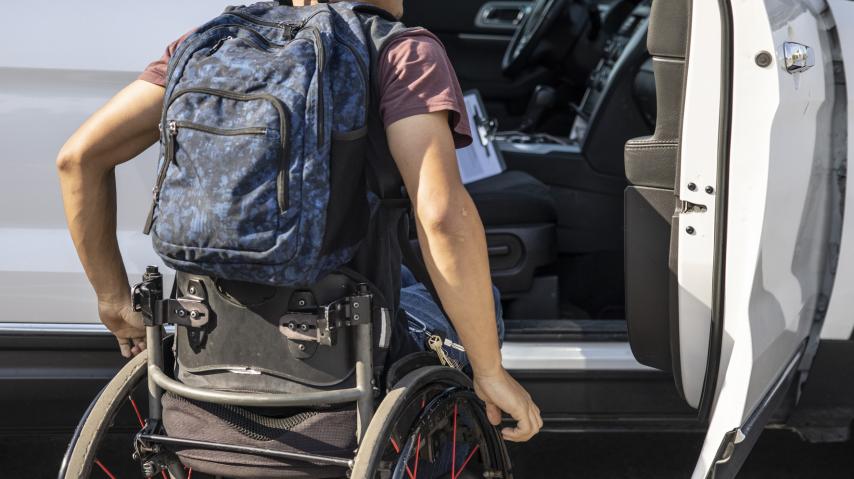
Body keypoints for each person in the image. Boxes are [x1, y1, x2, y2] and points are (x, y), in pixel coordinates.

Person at [56, 0, 542, 443]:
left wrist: (115, 302)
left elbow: (78, 159)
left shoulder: (207, 43)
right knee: (482, 302)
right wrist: (490, 372)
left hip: (205, 336)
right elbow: (440, 216)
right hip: (340, 345)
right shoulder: (402, 52)